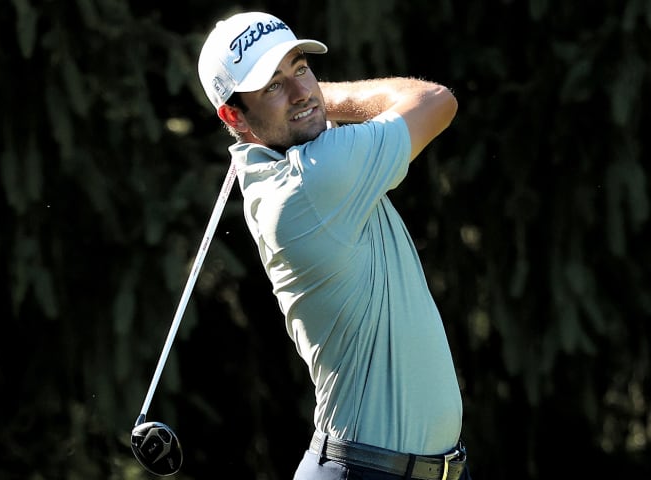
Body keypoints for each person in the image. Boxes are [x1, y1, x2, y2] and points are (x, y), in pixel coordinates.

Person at [197, 11, 471, 480]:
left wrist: (298, 104)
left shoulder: (295, 165)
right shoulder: (315, 179)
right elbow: (434, 101)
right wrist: (321, 100)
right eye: (272, 85)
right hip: (366, 472)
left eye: (301, 68)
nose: (301, 90)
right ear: (233, 116)